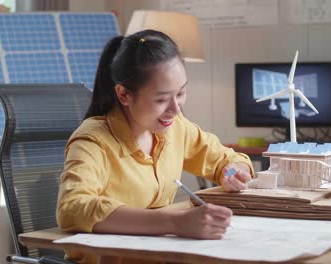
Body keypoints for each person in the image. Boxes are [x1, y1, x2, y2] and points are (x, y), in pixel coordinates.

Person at [56, 29, 253, 263]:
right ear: (124, 95)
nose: (176, 108)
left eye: (181, 93)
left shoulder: (175, 127)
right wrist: (176, 223)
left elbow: (226, 159)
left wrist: (234, 173)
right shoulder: (93, 140)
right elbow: (73, 208)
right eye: (161, 99)